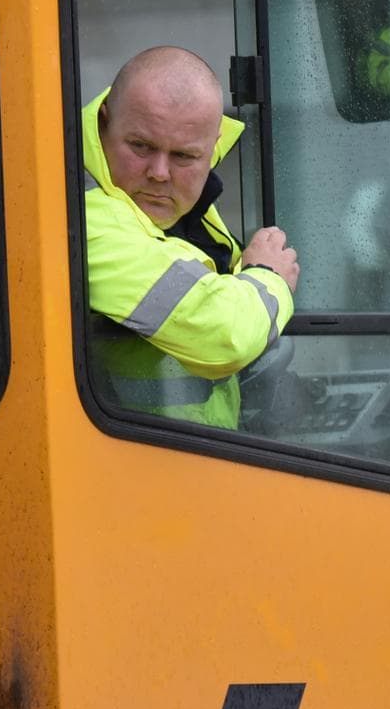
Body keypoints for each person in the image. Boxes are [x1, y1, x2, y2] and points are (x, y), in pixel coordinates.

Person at [82, 46, 300, 429]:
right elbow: (223, 335)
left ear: (212, 145)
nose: (160, 173)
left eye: (184, 156)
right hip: (133, 470)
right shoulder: (79, 214)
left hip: (186, 461)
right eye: (141, 147)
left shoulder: (157, 199)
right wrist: (269, 276)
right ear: (104, 122)